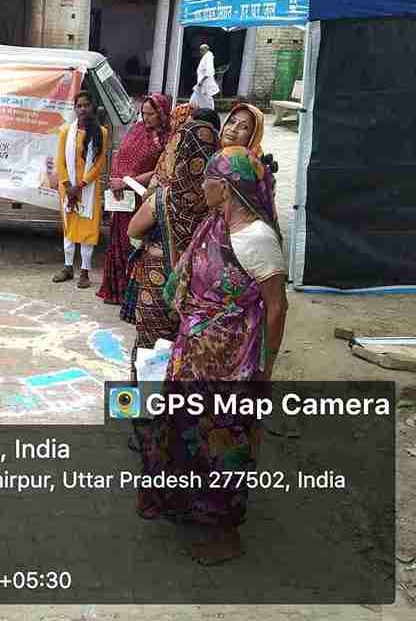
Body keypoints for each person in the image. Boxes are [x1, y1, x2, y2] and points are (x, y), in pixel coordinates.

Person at [137, 147, 288, 565]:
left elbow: (277, 308)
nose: (201, 186)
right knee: (185, 435)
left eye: (207, 179)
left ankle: (226, 533)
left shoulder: (257, 239)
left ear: (225, 187)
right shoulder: (215, 224)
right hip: (194, 357)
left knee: (223, 444)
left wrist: (265, 368)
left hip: (232, 363)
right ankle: (184, 505)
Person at [123, 118, 220, 373]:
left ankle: (143, 395)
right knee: (184, 354)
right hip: (199, 290)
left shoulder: (164, 198)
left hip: (158, 284)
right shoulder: (220, 201)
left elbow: (133, 230)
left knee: (150, 352)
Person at [97, 93, 170, 304]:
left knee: (134, 244)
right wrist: (115, 179)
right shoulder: (137, 130)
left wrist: (128, 181)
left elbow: (160, 170)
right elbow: (121, 156)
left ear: (162, 113)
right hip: (121, 197)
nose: (146, 118)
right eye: (143, 113)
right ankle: (115, 291)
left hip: (142, 198)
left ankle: (132, 296)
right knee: (118, 242)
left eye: (151, 114)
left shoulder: (166, 139)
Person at [52, 91, 109, 289]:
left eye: (86, 105)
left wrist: (81, 185)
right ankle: (68, 267)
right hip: (68, 189)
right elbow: (60, 161)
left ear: (93, 107)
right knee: (69, 227)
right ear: (75, 109)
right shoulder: (65, 131)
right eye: (79, 106)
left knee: (88, 229)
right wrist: (68, 186)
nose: (83, 109)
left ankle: (84, 272)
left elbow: (99, 164)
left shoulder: (101, 132)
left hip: (88, 189)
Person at [191, 44, 220, 110]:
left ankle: (210, 111)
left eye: (202, 50)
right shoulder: (205, 57)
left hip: (205, 83)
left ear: (206, 49)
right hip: (201, 84)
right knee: (197, 97)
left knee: (207, 98)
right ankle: (195, 109)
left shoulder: (209, 56)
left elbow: (209, 71)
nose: (200, 51)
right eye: (200, 50)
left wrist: (201, 81)